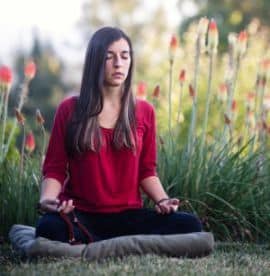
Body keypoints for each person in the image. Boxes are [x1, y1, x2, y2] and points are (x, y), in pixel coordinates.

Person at [36, 26, 202, 244]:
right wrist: (48, 200)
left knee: (190, 225)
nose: (118, 63)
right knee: (48, 228)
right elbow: (55, 168)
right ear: (96, 61)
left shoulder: (145, 111)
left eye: (125, 56)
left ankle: (98, 241)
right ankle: (112, 240)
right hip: (83, 215)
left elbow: (147, 171)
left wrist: (163, 200)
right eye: (109, 57)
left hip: (129, 216)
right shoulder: (69, 110)